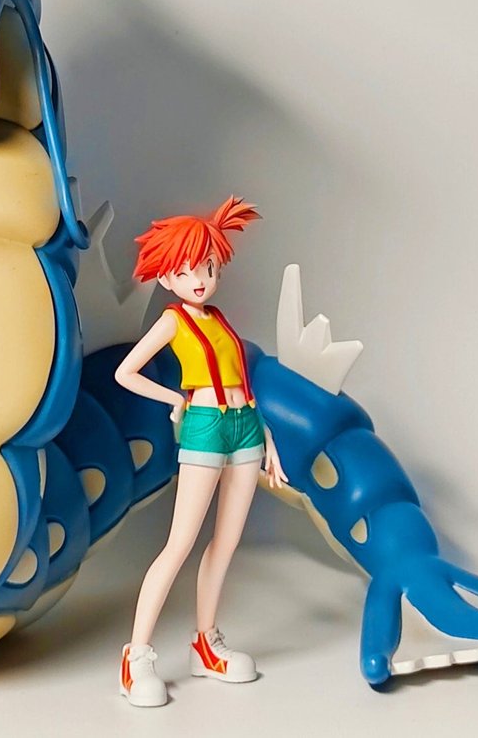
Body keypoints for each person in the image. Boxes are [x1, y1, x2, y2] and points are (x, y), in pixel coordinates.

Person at [113, 196, 287, 707]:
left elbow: (243, 382)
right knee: (179, 543)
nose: (199, 279)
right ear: (167, 276)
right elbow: (126, 372)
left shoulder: (219, 319)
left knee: (226, 542)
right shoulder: (173, 321)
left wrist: (269, 439)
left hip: (246, 427)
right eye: (187, 270)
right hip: (205, 427)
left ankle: (206, 644)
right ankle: (136, 657)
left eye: (207, 267)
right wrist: (175, 399)